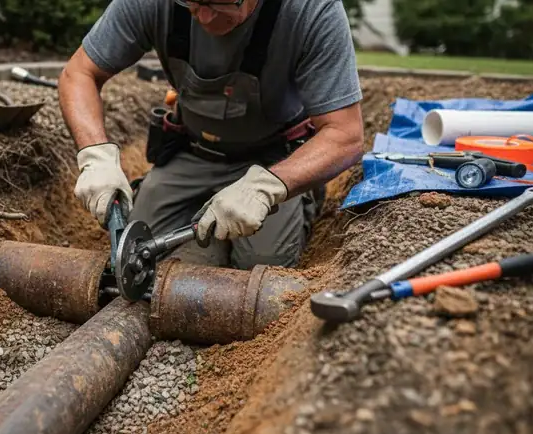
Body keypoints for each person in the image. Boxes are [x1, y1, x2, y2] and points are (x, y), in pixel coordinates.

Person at [58, 0, 365, 269]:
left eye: (222, 2)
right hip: (192, 150)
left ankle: (301, 202)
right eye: (191, 2)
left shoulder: (312, 10)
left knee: (261, 266)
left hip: (275, 159)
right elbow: (79, 73)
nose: (203, 17)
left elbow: (345, 135)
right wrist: (95, 156)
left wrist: (266, 188)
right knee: (145, 253)